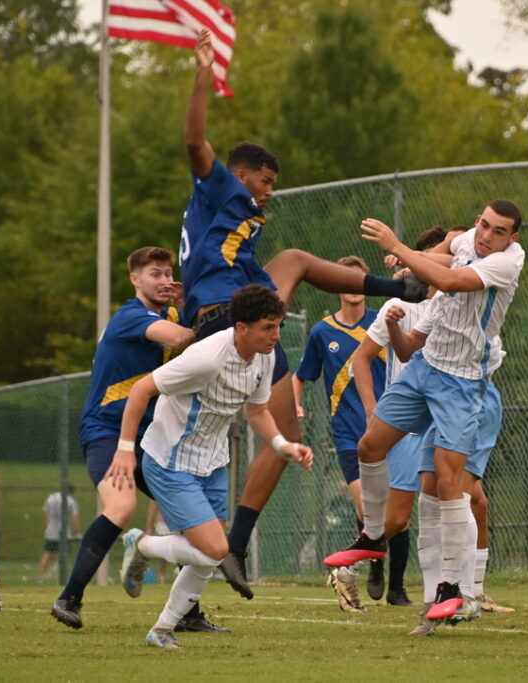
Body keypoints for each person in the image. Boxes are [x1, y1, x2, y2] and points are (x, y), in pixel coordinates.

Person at [181, 29, 425, 600]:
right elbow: (195, 139)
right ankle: (401, 288)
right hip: (224, 320)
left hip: (243, 317)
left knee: (284, 436)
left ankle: (232, 549)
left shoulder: (236, 231)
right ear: (239, 175)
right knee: (292, 262)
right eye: (265, 183)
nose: (268, 194)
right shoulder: (219, 189)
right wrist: (201, 72)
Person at [324, 200, 525, 625]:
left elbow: (450, 278)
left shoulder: (507, 264)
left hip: (463, 383)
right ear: (477, 222)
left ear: (513, 238)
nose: (488, 236)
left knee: (452, 486)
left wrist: (400, 248)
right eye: (484, 225)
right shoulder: (468, 241)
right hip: (424, 369)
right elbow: (448, 254)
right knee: (369, 445)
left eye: (499, 231)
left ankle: (454, 587)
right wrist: (411, 264)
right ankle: (374, 536)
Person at [114, 284, 313, 649]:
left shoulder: (264, 357)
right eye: (268, 327)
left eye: (278, 326)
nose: (276, 335)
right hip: (170, 460)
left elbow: (256, 412)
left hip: (213, 462)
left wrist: (285, 446)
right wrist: (126, 450)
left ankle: (161, 629)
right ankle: (141, 546)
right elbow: (141, 390)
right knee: (215, 550)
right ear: (241, 327)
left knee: (207, 556)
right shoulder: (206, 357)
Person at [50, 247, 224, 632]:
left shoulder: (172, 310)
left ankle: (187, 615)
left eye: (168, 274)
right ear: (135, 279)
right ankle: (69, 598)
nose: (163, 281)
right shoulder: (130, 316)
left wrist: (190, 303)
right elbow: (181, 338)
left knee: (189, 516)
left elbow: (185, 329)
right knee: (121, 505)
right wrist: (223, 321)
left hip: (152, 437)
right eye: (154, 274)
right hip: (108, 432)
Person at [347, 227, 459, 612]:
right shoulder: (405, 302)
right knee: (399, 516)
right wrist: (371, 410)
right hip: (405, 422)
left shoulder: (460, 297)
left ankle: (453, 590)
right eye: (434, 254)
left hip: (444, 417)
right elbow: (364, 358)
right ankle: (363, 558)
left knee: (455, 499)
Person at [291, 255, 388, 612]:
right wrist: (295, 404)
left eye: (359, 280)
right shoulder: (322, 332)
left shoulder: (382, 322)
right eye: (344, 279)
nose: (353, 287)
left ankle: (369, 562)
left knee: (394, 512)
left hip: (390, 429)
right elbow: (301, 376)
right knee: (366, 505)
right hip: (349, 433)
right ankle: (356, 566)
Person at [39, 484, 80, 583]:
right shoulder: (71, 501)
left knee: (47, 553)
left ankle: (41, 576)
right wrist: (77, 531)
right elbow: (74, 517)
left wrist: (48, 525)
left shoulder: (51, 498)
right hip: (65, 533)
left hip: (51, 531)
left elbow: (45, 513)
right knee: (66, 554)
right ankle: (65, 575)